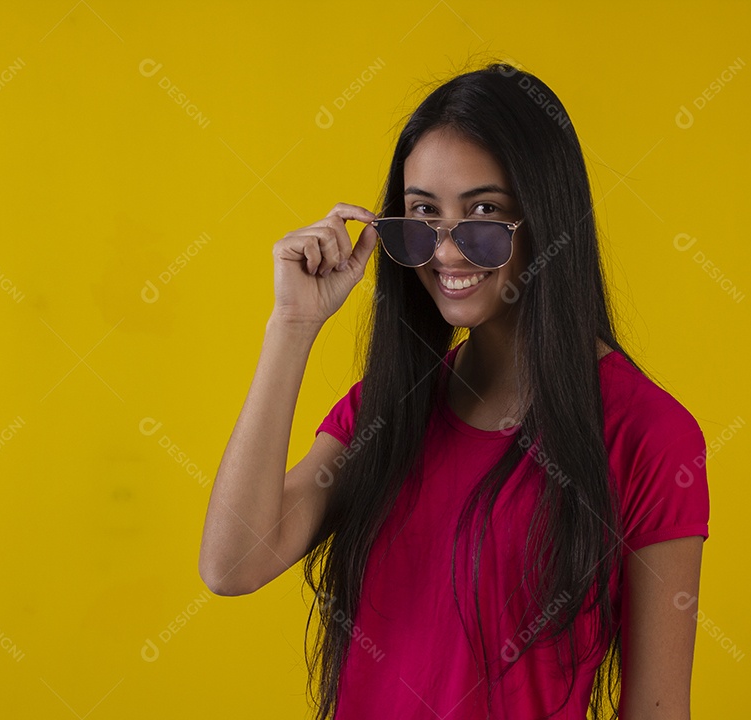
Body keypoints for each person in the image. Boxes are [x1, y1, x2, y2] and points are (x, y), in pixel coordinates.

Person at [199, 62, 710, 720]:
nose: (447, 253)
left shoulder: (647, 435)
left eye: (484, 214)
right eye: (421, 216)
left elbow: (659, 709)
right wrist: (292, 326)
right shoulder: (388, 410)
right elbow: (231, 564)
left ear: (546, 219)